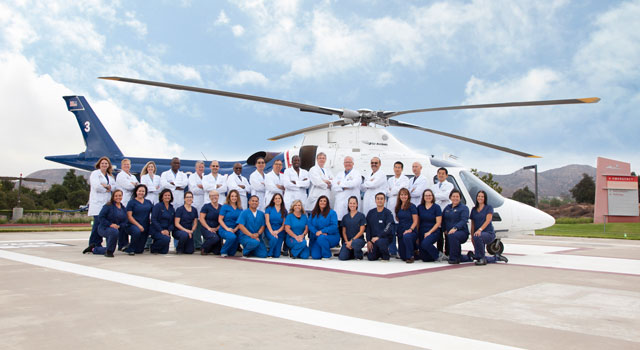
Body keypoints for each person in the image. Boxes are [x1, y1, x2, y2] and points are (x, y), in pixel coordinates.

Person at [83, 156, 116, 254]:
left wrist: (106, 186)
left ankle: (98, 244)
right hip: (97, 204)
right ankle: (93, 244)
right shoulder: (95, 174)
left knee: (103, 225)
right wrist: (107, 187)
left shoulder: (110, 176)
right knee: (97, 224)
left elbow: (114, 187)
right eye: (103, 163)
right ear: (99, 165)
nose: (104, 165)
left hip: (106, 204)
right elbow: (97, 187)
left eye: (106, 163)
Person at [469, 191, 508, 265]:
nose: (480, 198)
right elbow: (473, 224)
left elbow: (488, 220)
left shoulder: (488, 208)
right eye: (479, 196)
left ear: (485, 198)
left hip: (488, 233)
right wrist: (472, 236)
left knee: (478, 239)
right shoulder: (473, 210)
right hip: (477, 234)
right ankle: (496, 257)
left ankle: (482, 259)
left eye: (482, 196)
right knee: (479, 255)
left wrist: (480, 230)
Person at [89, 189, 127, 257]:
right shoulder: (108, 206)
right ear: (113, 197)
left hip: (116, 228)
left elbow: (125, 221)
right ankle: (108, 252)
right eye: (116, 196)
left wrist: (119, 226)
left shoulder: (123, 208)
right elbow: (101, 217)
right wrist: (110, 224)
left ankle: (95, 249)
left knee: (117, 231)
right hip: (104, 228)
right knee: (114, 232)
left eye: (120, 196)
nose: (118, 197)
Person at [442, 189, 470, 264]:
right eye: (453, 196)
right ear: (450, 197)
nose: (455, 198)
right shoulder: (447, 208)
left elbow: (464, 220)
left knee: (453, 235)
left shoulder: (464, 208)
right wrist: (444, 229)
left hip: (461, 232)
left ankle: (454, 259)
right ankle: (468, 257)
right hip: (449, 234)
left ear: (460, 198)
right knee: (451, 250)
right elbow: (443, 219)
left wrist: (455, 228)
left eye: (457, 196)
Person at [124, 184, 153, 255]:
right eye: (139, 191)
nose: (141, 193)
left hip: (145, 225)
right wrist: (138, 225)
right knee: (136, 231)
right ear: (136, 192)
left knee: (139, 251)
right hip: (133, 225)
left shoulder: (148, 202)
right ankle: (130, 249)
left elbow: (153, 213)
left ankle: (128, 247)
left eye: (143, 191)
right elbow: (129, 216)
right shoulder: (131, 202)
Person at [365, 193, 395, 261]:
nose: (380, 200)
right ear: (375, 200)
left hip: (384, 238)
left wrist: (379, 236)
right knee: (371, 257)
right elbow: (368, 228)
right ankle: (379, 252)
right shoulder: (371, 213)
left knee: (380, 242)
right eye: (378, 199)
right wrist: (369, 241)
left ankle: (386, 256)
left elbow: (388, 227)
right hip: (373, 240)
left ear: (385, 200)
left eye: (381, 199)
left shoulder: (388, 213)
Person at [308, 195, 339, 260]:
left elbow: (334, 226)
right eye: (321, 201)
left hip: (331, 236)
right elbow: (309, 224)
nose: (322, 202)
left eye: (325, 201)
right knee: (315, 256)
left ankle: (327, 255)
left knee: (322, 238)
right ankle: (323, 249)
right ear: (318, 202)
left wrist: (322, 231)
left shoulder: (332, 213)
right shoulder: (313, 213)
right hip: (318, 236)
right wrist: (316, 232)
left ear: (327, 203)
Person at [432, 167, 454, 256]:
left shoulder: (450, 185)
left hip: (446, 211)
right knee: (439, 233)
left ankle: (448, 252)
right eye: (439, 173)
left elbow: (447, 196)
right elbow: (432, 198)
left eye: (443, 174)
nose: (441, 175)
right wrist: (440, 197)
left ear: (446, 175)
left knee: (447, 232)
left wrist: (437, 196)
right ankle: (440, 252)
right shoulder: (434, 186)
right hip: (437, 212)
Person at [332, 156, 362, 222]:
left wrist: (340, 183)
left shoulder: (357, 173)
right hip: (340, 203)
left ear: (353, 163)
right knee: (340, 223)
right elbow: (334, 186)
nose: (347, 164)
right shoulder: (339, 174)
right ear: (343, 164)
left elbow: (354, 184)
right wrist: (343, 187)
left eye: (349, 162)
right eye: (346, 162)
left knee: (351, 223)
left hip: (351, 203)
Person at [417, 189, 443, 262]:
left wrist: (429, 232)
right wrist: (417, 233)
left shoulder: (436, 207)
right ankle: (433, 256)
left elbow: (438, 222)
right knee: (425, 258)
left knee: (425, 243)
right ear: (423, 197)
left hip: (433, 231)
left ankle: (438, 255)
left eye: (429, 195)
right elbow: (418, 221)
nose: (428, 197)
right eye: (426, 195)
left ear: (432, 196)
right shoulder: (420, 207)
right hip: (422, 231)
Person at [338, 196, 366, 261]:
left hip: (358, 240)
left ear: (357, 204)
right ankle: (351, 252)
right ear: (348, 204)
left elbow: (361, 231)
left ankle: (359, 254)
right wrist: (347, 242)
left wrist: (352, 241)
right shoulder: (345, 217)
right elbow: (344, 232)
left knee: (355, 243)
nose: (352, 205)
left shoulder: (361, 216)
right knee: (342, 257)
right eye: (350, 203)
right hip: (347, 241)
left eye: (354, 203)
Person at [395, 188, 418, 263]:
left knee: (407, 236)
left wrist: (410, 229)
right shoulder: (398, 206)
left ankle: (411, 256)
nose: (403, 196)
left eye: (405, 194)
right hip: (401, 230)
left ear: (408, 196)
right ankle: (414, 253)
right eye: (401, 194)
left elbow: (415, 221)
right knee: (403, 256)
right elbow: (398, 219)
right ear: (399, 196)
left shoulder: (412, 206)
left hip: (410, 230)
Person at [218, 189, 243, 257]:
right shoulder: (225, 207)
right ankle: (223, 251)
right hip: (225, 228)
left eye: (235, 196)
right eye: (232, 196)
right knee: (232, 237)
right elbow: (220, 220)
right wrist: (227, 229)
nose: (234, 198)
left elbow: (241, 221)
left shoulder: (240, 208)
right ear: (229, 197)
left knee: (232, 253)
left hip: (236, 229)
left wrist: (235, 229)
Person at [149, 189, 174, 254]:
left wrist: (168, 230)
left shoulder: (171, 208)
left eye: (169, 195)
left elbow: (172, 222)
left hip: (166, 231)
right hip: (156, 230)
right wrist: (161, 230)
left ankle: (158, 245)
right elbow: (153, 219)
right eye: (165, 195)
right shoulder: (158, 206)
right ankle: (153, 247)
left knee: (164, 252)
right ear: (162, 197)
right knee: (166, 239)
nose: (167, 197)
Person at [188, 161, 206, 250]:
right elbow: (193, 190)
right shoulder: (192, 177)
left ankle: (204, 243)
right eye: (199, 167)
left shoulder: (205, 177)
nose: (201, 168)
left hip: (204, 202)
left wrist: (201, 186)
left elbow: (209, 189)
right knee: (196, 223)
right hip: (195, 203)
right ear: (196, 168)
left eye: (202, 167)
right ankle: (197, 244)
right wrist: (204, 188)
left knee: (204, 223)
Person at [199, 190, 222, 255]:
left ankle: (210, 249)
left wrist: (217, 228)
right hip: (207, 228)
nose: (214, 197)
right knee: (214, 238)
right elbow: (201, 219)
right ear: (209, 197)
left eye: (215, 195)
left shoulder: (221, 207)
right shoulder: (206, 206)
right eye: (212, 196)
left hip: (217, 229)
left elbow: (223, 220)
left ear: (218, 196)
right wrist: (209, 228)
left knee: (217, 252)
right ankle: (204, 248)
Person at [265, 193, 287, 258]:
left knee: (277, 255)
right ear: (273, 200)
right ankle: (270, 253)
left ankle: (273, 251)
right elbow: (267, 222)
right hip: (270, 229)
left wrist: (277, 231)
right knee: (273, 238)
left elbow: (284, 225)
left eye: (279, 198)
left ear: (282, 200)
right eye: (276, 198)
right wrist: (271, 231)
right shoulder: (268, 208)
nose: (277, 200)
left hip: (280, 231)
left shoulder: (284, 211)